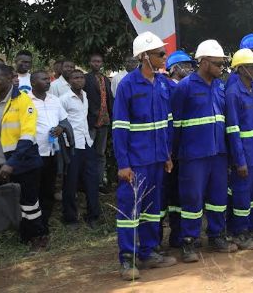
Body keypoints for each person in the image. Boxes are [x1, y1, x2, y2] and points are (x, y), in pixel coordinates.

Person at [112, 32, 177, 281]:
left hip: (157, 160)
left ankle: (149, 253)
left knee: (152, 210)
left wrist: (167, 154)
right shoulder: (128, 85)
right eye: (160, 54)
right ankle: (127, 260)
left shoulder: (162, 84)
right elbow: (120, 128)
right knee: (130, 212)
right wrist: (123, 164)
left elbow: (167, 123)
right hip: (136, 162)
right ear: (144, 56)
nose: (164, 57)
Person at [170, 40, 237, 261]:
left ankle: (217, 236)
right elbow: (175, 124)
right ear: (205, 62)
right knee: (192, 198)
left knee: (218, 197)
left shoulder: (220, 86)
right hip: (193, 154)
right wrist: (174, 153)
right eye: (218, 63)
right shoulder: (185, 87)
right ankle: (189, 241)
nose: (221, 67)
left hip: (218, 153)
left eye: (223, 64)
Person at [0, 64, 48, 251]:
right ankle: (12, 236)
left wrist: (11, 163)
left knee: (29, 202)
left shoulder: (23, 101)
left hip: (23, 160)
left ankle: (37, 237)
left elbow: (28, 135)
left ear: (9, 79)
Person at [224, 49, 253, 249]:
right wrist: (239, 161)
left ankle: (249, 229)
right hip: (244, 155)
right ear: (240, 69)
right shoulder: (233, 93)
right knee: (241, 194)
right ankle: (239, 233)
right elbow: (233, 129)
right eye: (252, 67)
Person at [162, 50, 194, 249]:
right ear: (174, 68)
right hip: (172, 150)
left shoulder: (187, 86)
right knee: (171, 193)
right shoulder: (169, 87)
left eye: (190, 65)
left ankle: (179, 234)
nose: (190, 68)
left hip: (184, 149)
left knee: (181, 195)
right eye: (185, 65)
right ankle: (171, 236)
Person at [59, 69, 101, 226]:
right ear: (69, 81)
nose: (79, 80)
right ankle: (70, 218)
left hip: (86, 142)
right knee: (71, 182)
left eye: (81, 77)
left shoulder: (85, 96)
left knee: (92, 180)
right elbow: (61, 122)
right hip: (72, 145)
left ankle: (93, 215)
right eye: (75, 78)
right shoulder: (63, 99)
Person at [28, 70, 68, 231]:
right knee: (33, 191)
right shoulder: (25, 101)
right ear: (33, 83)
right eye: (43, 79)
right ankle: (33, 226)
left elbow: (63, 121)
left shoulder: (55, 100)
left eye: (48, 79)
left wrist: (60, 128)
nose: (48, 81)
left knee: (48, 189)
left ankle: (44, 223)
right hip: (34, 153)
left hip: (52, 152)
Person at [84, 53, 114, 191]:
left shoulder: (105, 79)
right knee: (88, 153)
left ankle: (100, 182)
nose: (97, 64)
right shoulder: (85, 79)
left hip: (104, 121)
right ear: (90, 63)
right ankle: (87, 183)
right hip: (90, 121)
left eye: (99, 61)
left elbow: (109, 99)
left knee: (100, 154)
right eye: (94, 61)